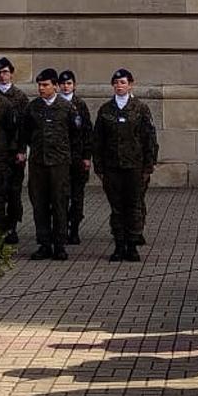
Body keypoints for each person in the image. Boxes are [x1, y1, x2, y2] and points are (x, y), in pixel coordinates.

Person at [93, 68, 157, 264]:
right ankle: (119, 245)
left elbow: (149, 139)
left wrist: (148, 166)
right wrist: (99, 168)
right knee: (117, 208)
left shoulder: (140, 108)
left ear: (130, 85)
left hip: (134, 167)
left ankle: (132, 244)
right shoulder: (105, 110)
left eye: (122, 82)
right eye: (116, 83)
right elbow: (98, 141)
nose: (119, 86)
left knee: (133, 206)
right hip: (112, 168)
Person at [14, 69, 71, 261]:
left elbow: (77, 135)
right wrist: (23, 150)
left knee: (59, 203)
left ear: (55, 86)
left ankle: (60, 244)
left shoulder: (66, 107)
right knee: (39, 204)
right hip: (38, 163)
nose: (41, 88)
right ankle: (44, 243)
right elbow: (25, 132)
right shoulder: (33, 108)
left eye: (45, 85)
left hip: (59, 164)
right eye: (39, 85)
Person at [0, 56, 29, 245]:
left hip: (14, 154)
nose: (2, 76)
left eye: (5, 72)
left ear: (11, 73)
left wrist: (21, 150)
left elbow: (23, 127)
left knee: (13, 193)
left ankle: (11, 226)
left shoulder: (20, 97)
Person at [57, 70, 94, 246]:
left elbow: (87, 132)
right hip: (59, 159)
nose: (66, 86)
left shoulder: (80, 105)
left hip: (77, 158)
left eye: (69, 83)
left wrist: (87, 157)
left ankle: (74, 229)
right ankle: (62, 229)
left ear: (74, 85)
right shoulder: (54, 104)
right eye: (63, 83)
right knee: (60, 197)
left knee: (77, 197)